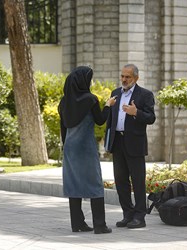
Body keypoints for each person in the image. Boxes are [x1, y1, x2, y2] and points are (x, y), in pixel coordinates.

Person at [58, 66, 116, 234]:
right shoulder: (90, 99)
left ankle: (77, 224)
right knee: (95, 184)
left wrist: (66, 147)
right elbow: (100, 120)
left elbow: (63, 129)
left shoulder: (64, 102)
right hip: (86, 148)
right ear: (83, 81)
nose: (91, 81)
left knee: (73, 184)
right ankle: (100, 225)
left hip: (70, 148)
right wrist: (108, 105)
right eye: (90, 78)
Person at [104, 64, 156, 229]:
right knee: (120, 181)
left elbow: (151, 118)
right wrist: (108, 141)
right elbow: (110, 120)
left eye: (128, 77)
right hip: (117, 142)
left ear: (136, 78)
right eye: (123, 76)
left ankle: (140, 217)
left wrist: (136, 113)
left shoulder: (145, 95)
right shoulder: (115, 93)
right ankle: (128, 214)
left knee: (138, 181)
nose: (124, 80)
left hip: (135, 143)